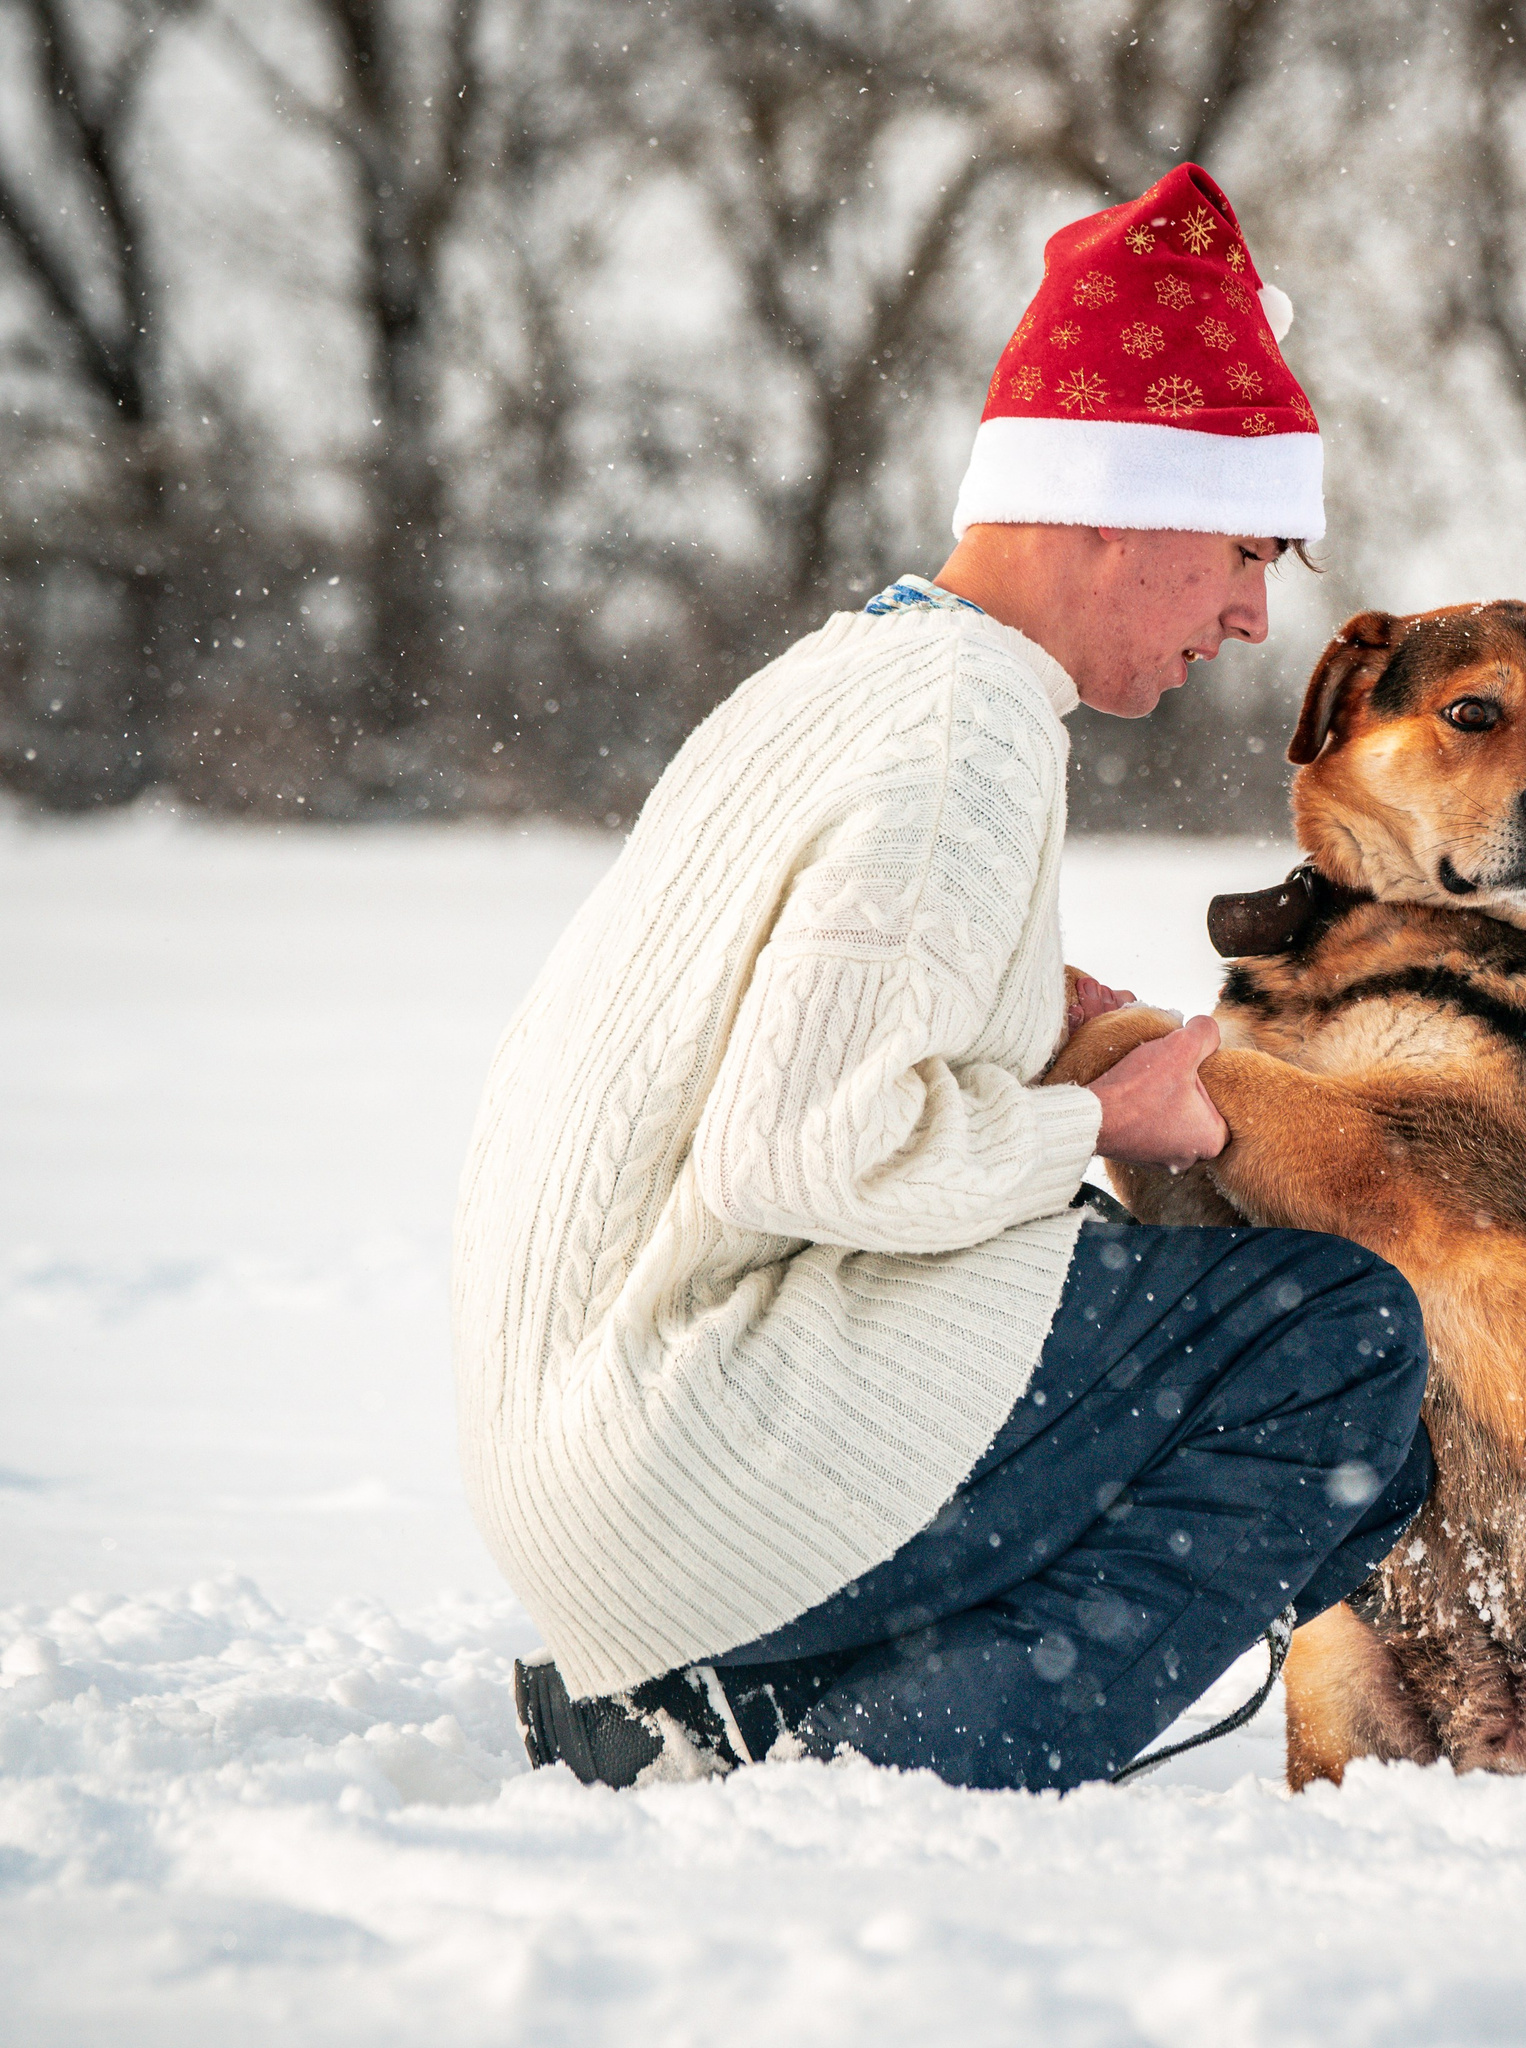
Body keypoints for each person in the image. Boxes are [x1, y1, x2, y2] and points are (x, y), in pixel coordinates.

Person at [453, 164, 1431, 1792]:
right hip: (687, 1453)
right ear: (1122, 503)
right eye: (1250, 549)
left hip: (600, 1446)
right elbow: (809, 1151)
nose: (1257, 616)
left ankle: (725, 1706)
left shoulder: (855, 677)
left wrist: (1018, 1011)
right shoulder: (963, 732)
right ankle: (860, 1781)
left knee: (1178, 1334)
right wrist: (1100, 1119)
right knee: (1328, 1346)